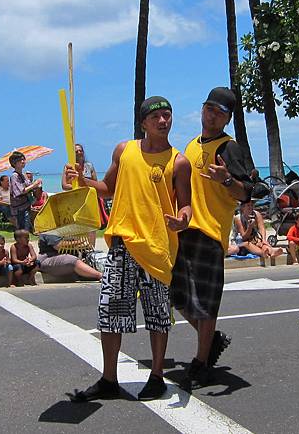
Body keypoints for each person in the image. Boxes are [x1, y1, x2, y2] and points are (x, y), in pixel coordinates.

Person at [65, 95, 192, 402]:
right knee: (110, 312)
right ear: (143, 123)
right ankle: (109, 379)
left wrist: (182, 221)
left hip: (158, 247)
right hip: (122, 244)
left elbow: (186, 206)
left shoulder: (179, 161)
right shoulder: (125, 150)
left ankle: (158, 375)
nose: (163, 121)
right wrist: (82, 181)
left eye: (167, 115)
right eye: (156, 117)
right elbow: (108, 188)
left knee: (157, 316)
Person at [171, 87, 252, 389]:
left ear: (228, 118)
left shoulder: (229, 148)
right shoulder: (191, 146)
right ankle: (211, 339)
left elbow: (247, 191)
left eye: (220, 112)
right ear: (202, 109)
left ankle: (201, 362)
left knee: (205, 304)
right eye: (209, 108)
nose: (213, 114)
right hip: (185, 230)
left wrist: (228, 180)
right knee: (176, 295)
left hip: (209, 233)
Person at [37, 233, 103, 281]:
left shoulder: (69, 227)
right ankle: (100, 276)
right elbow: (59, 246)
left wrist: (91, 231)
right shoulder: (48, 228)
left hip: (67, 256)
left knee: (95, 256)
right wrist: (80, 241)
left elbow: (89, 246)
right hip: (48, 257)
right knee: (71, 260)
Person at [9, 151, 42, 232]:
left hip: (26, 205)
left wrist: (36, 185)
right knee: (22, 229)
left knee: (25, 227)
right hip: (19, 208)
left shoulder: (23, 175)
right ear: (15, 163)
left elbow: (29, 186)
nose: (23, 161)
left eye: (23, 159)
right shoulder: (14, 176)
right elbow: (21, 191)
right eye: (20, 160)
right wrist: (34, 185)